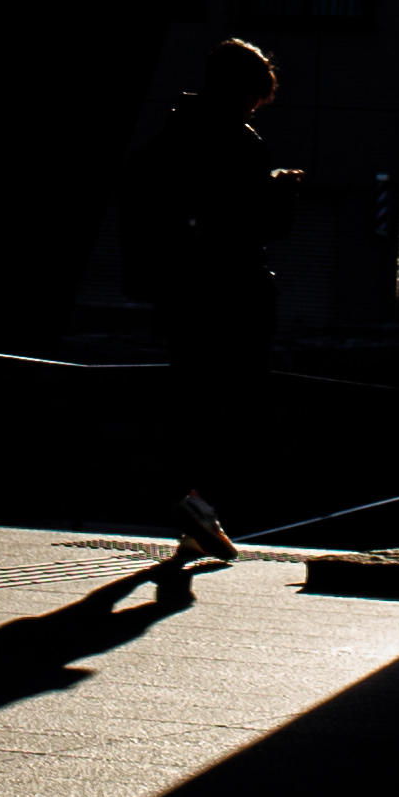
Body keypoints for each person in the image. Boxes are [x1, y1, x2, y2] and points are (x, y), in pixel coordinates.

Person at [111, 35, 301, 567]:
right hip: (235, 294)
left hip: (181, 294)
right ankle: (201, 506)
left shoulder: (169, 138)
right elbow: (259, 223)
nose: (256, 107)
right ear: (245, 90)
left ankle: (193, 511)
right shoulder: (239, 141)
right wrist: (282, 190)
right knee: (240, 406)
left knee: (190, 400)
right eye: (256, 96)